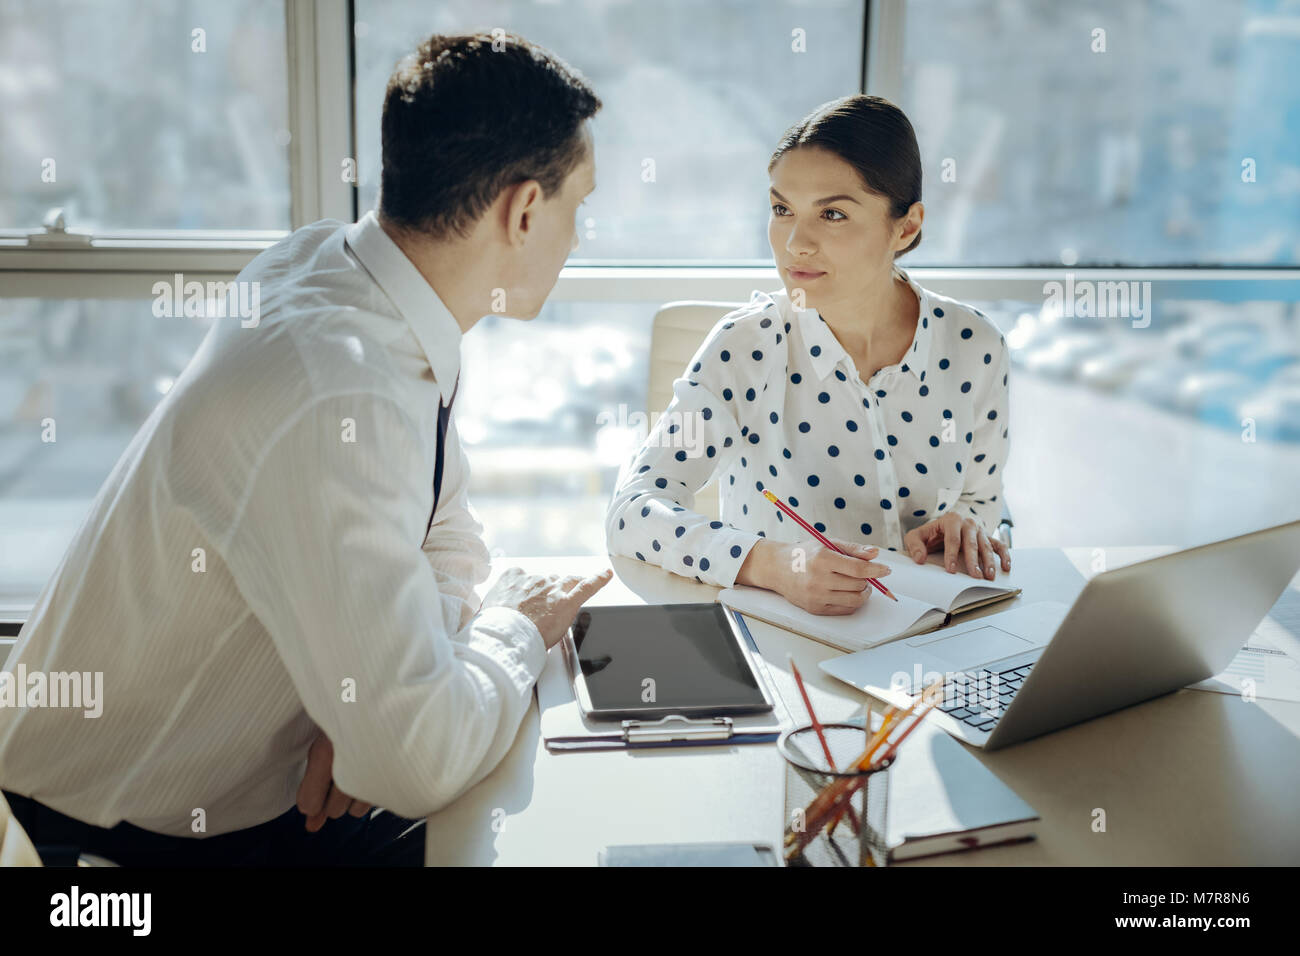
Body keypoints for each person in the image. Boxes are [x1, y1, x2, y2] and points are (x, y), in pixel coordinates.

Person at [0, 32, 610, 866]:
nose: (579, 238)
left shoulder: (344, 273)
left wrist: (359, 703)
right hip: (120, 829)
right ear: (524, 210)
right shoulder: (340, 391)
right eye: (579, 207)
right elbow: (417, 760)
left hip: (237, 776)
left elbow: (446, 528)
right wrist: (516, 627)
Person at [606, 94, 1011, 617]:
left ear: (905, 228)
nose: (795, 242)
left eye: (834, 214)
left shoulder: (977, 347)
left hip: (940, 636)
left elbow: (984, 500)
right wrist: (769, 564)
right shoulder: (747, 346)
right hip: (789, 647)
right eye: (781, 210)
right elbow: (631, 513)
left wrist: (964, 523)